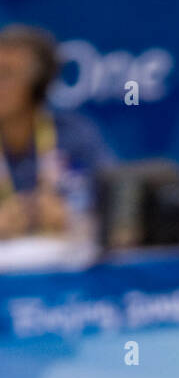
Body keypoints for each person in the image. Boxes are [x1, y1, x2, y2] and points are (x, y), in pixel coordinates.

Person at [0, 24, 113, 238]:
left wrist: (73, 216)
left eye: (6, 74)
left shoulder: (75, 135)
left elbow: (116, 205)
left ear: (37, 83)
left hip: (63, 265)